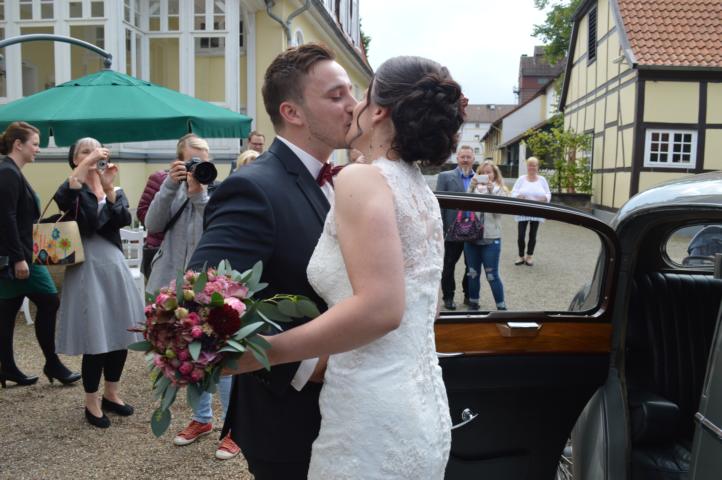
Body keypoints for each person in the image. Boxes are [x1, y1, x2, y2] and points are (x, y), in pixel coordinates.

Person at [226, 55, 463, 479]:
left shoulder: (362, 178)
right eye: (339, 95)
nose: (353, 105)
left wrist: (262, 353)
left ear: (379, 111)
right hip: (420, 402)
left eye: (360, 95)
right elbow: (428, 304)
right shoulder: (421, 192)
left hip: (369, 407)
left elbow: (383, 308)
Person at [188, 43, 356, 479]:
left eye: (351, 94)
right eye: (336, 96)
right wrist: (308, 365)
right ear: (292, 112)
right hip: (289, 420)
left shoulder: (341, 181)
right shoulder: (253, 188)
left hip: (348, 412)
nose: (353, 106)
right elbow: (204, 306)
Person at [143, 135, 237, 458]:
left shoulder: (220, 191)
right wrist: (171, 186)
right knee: (188, 355)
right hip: (172, 284)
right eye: (193, 161)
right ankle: (202, 418)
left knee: (221, 354)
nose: (199, 166)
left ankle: (233, 427)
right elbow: (152, 224)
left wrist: (200, 195)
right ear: (180, 162)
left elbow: (217, 229)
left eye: (204, 160)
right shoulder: (169, 188)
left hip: (207, 285)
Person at [54, 137, 143, 428]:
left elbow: (123, 218)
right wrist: (87, 171)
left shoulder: (112, 189)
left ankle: (111, 393)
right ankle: (91, 400)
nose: (94, 154)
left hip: (114, 266)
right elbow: (89, 222)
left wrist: (108, 189)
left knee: (121, 330)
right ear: (75, 159)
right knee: (96, 335)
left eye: (97, 149)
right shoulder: (72, 190)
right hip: (87, 268)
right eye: (86, 151)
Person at [0, 122, 80, 388]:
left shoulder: (12, 171)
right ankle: (52, 363)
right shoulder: (8, 172)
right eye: (34, 143)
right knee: (49, 301)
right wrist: (18, 258)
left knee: (7, 310)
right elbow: (6, 219)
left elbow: (19, 218)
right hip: (20, 255)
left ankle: (7, 367)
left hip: (18, 252)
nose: (38, 149)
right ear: (18, 144)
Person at [465, 160, 509, 310]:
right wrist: (471, 187)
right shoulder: (473, 189)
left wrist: (491, 192)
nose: (485, 175)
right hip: (471, 237)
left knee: (492, 275)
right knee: (472, 273)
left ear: (495, 174)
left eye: (488, 172)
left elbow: (498, 212)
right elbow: (464, 206)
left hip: (491, 238)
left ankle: (501, 306)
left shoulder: (500, 190)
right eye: (482, 172)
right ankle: (473, 303)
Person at [435, 145, 474, 309]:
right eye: (462, 157)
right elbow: (439, 205)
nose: (465, 160)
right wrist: (441, 229)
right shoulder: (445, 177)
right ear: (457, 158)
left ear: (473, 159)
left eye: (468, 157)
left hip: (473, 231)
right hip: (452, 230)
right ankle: (448, 297)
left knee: (471, 266)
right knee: (448, 265)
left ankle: (469, 295)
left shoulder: (480, 179)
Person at [511, 156, 551, 266]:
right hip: (522, 210)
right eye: (530, 165)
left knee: (533, 235)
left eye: (534, 165)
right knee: (521, 235)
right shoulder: (521, 179)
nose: (532, 167)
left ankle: (529, 256)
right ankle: (520, 256)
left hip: (536, 211)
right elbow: (513, 192)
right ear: (527, 166)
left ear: (537, 167)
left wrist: (545, 198)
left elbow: (548, 193)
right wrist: (518, 196)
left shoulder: (542, 180)